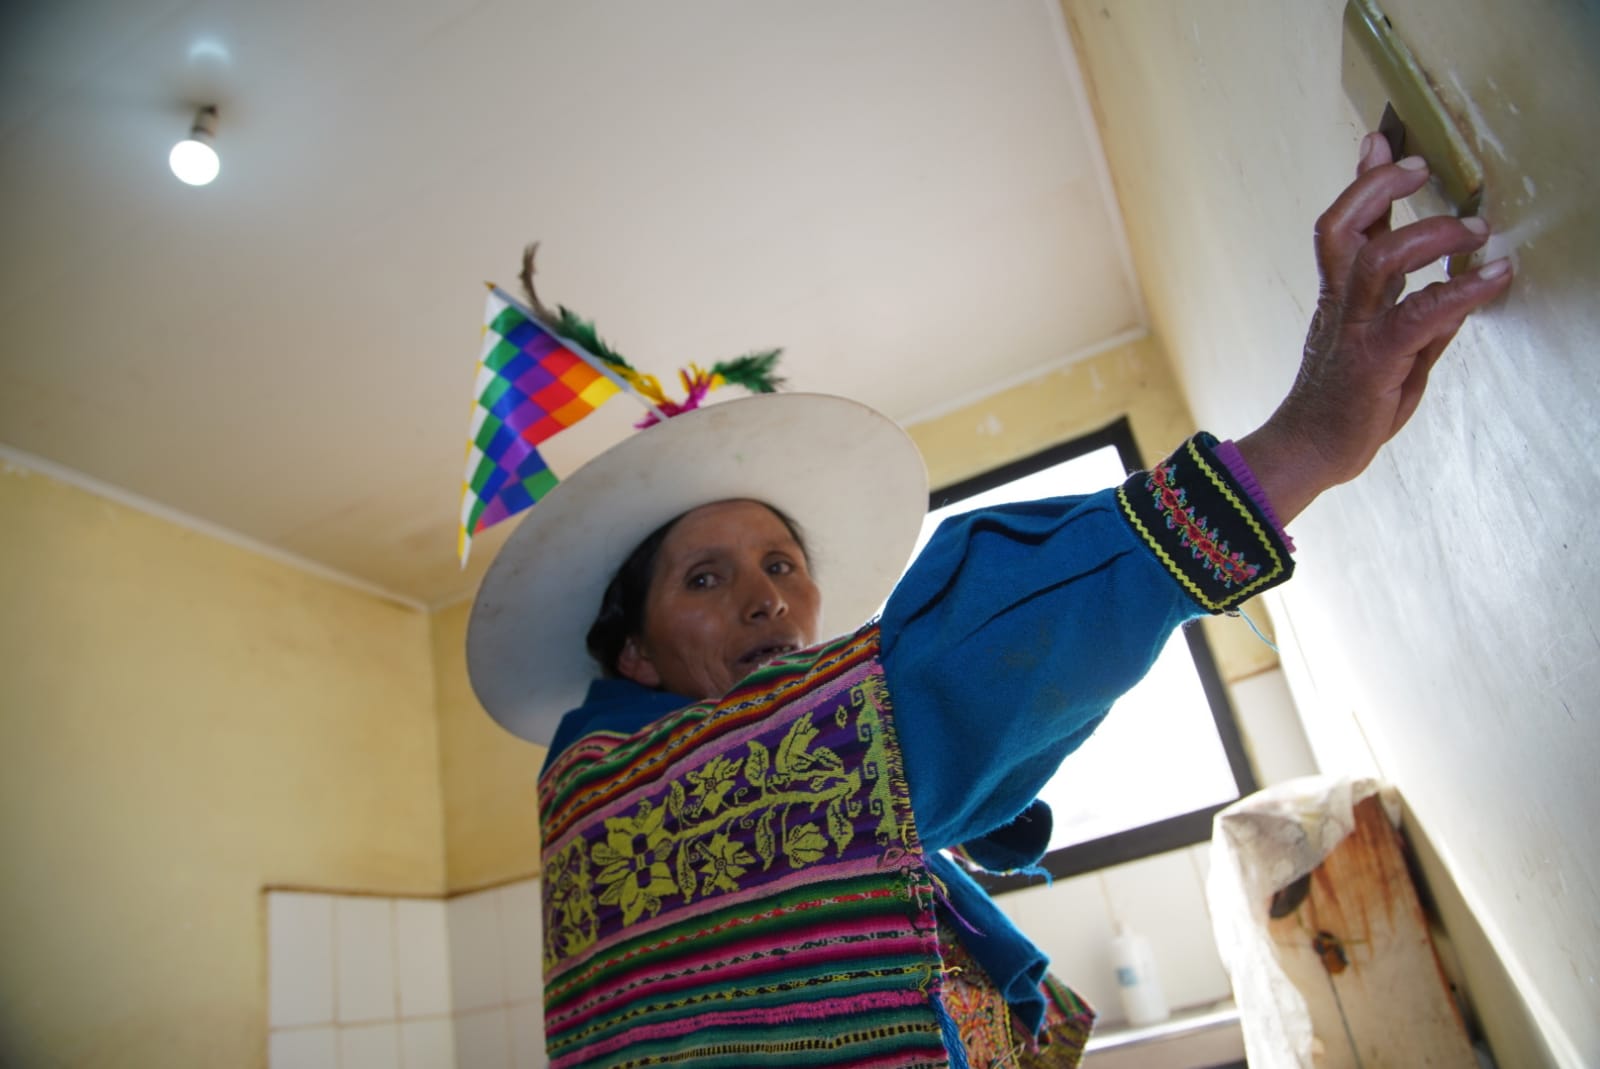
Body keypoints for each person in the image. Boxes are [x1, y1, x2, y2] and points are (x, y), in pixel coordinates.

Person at [466, 134, 1513, 1069]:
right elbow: (932, 682)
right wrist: (1299, 446)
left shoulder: (853, 817)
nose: (766, 601)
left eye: (783, 563)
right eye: (705, 577)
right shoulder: (611, 788)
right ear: (637, 658)